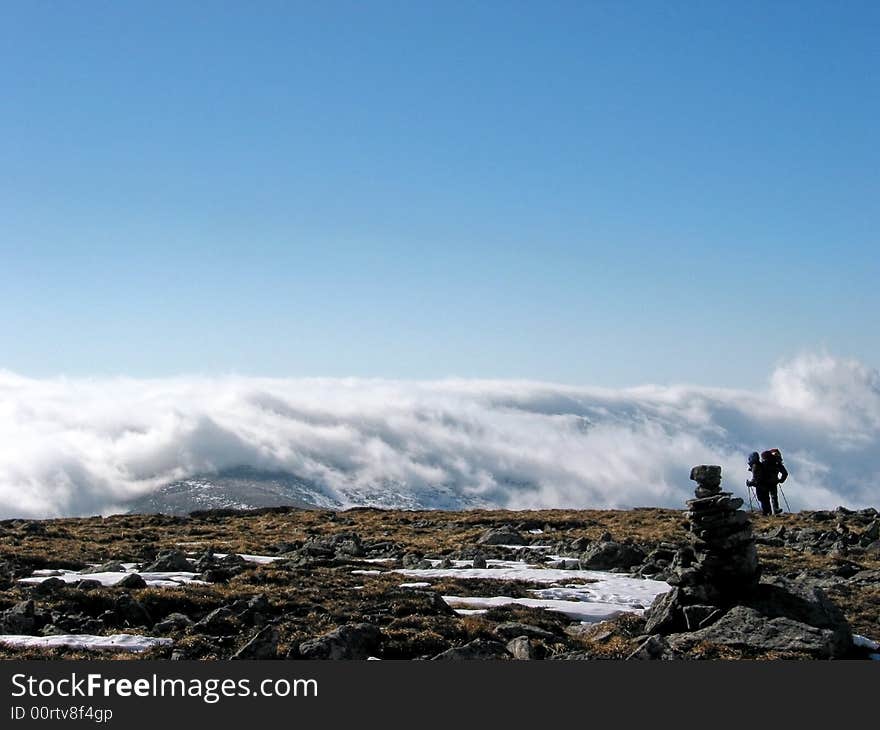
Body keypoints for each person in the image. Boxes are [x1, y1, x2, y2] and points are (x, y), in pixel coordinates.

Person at [755, 449, 788, 516]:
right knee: (774, 497)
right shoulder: (777, 463)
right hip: (773, 482)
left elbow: (759, 471)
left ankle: (768, 512)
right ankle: (776, 509)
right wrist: (781, 480)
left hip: (764, 482)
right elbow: (785, 473)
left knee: (766, 498)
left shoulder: (765, 462)